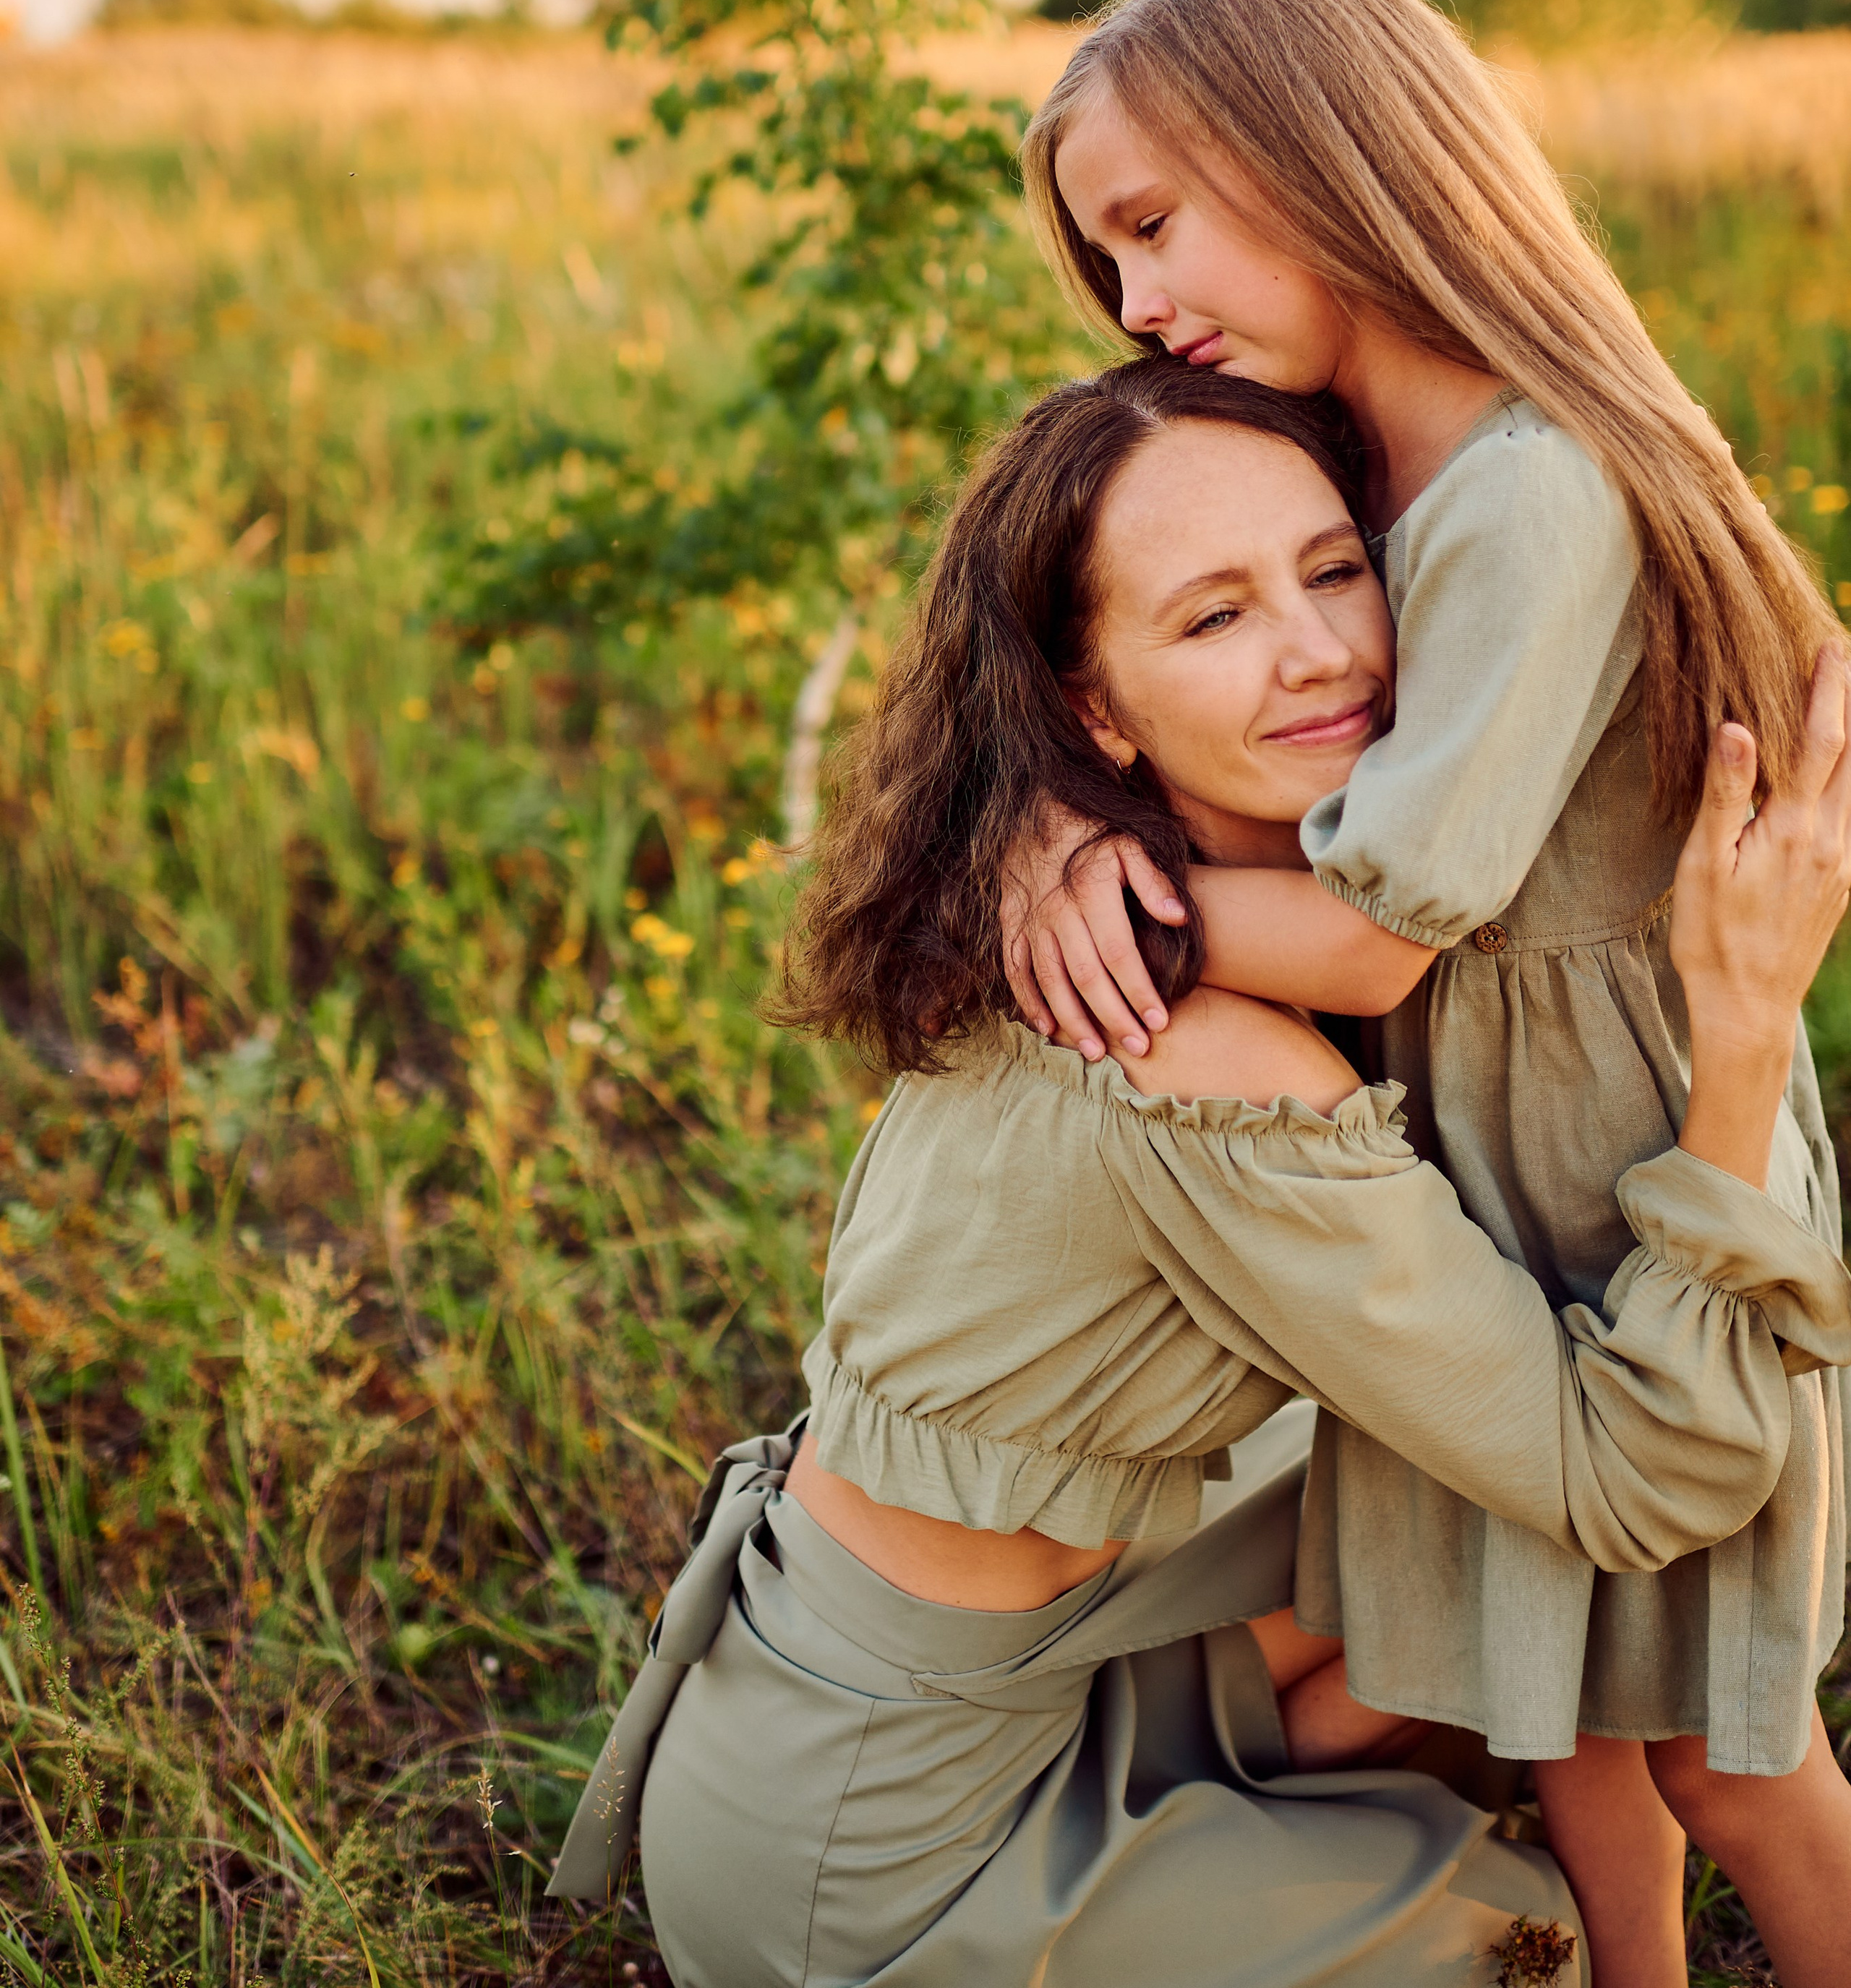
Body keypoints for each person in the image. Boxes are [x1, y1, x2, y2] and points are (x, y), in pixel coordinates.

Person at [547, 362, 1851, 1988]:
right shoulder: (1190, 1054)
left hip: (1015, 1679)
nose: (1317, 649)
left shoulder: (1104, 902)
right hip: (884, 1849)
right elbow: (1634, 1478)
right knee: (1514, 1941)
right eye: (1211, 617)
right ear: (1091, 707)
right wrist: (1735, 1033)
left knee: (1494, 1620)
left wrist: (1040, 816)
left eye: (1330, 569)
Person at [1005, 0, 1851, 1984]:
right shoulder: (1368, 476)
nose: (1139, 305)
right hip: (1494, 1174)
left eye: (1151, 226)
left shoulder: (1528, 492)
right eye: (1108, 263)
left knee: (1734, 1755)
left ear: (1313, 141)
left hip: (1638, 1157)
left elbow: (1380, 936)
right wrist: (1043, 823)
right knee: (1565, 1728)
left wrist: (1126, 902)